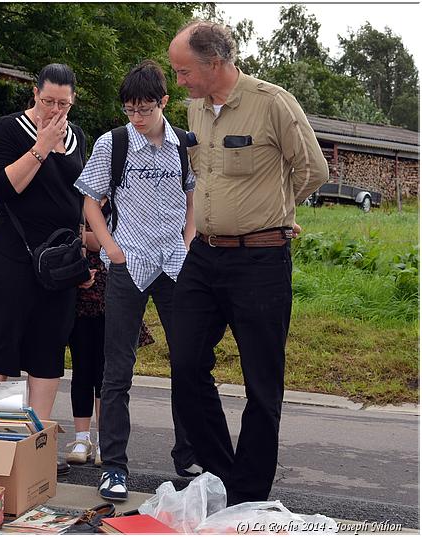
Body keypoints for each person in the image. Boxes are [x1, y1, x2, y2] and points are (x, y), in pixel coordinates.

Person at [167, 21, 328, 505]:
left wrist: (276, 213)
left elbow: (313, 170)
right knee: (186, 363)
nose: (179, 82)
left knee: (262, 382)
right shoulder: (196, 107)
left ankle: (248, 492)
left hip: (261, 259)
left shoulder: (271, 103)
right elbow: (201, 171)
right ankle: (221, 473)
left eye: (183, 71)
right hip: (204, 254)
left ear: (214, 63)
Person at [0, 64, 92, 474]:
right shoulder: (8, 129)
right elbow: (1, 186)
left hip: (60, 262)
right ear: (35, 94)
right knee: (0, 345)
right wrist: (41, 147)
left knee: (48, 350)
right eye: (47, 100)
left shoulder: (78, 135)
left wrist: (84, 257)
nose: (54, 109)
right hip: (12, 256)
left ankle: (37, 441)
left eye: (62, 103)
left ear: (73, 100)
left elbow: (80, 195)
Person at [74, 59, 201, 501]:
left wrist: (187, 240)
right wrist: (110, 248)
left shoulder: (184, 144)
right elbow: (91, 202)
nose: (137, 116)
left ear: (163, 102)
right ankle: (114, 467)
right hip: (128, 264)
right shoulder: (114, 143)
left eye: (145, 108)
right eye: (130, 109)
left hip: (174, 265)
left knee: (188, 362)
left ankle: (189, 457)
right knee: (117, 370)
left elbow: (193, 197)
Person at [65, 205, 155, 468]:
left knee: (108, 372)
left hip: (117, 296)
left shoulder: (126, 199)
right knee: (82, 370)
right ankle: (82, 438)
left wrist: (91, 237)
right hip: (82, 299)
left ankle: (107, 441)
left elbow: (102, 239)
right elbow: (76, 235)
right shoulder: (81, 202)